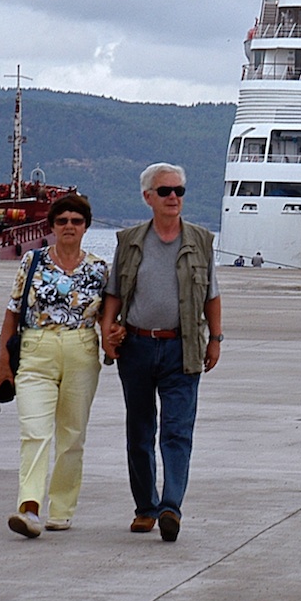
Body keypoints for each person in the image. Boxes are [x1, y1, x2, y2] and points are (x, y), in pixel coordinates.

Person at [100, 164, 222, 543]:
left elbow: (211, 296)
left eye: (180, 191)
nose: (174, 197)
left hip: (181, 347)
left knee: (177, 431)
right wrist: (107, 331)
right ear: (147, 197)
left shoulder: (200, 240)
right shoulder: (130, 240)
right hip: (136, 346)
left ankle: (171, 507)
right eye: (166, 191)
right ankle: (145, 508)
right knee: (139, 431)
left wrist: (215, 339)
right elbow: (115, 292)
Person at [0, 195, 112, 538]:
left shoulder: (99, 268)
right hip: (36, 349)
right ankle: (29, 506)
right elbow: (13, 312)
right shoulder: (32, 261)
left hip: (81, 349)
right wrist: (3, 361)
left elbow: (107, 317)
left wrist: (113, 340)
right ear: (53, 226)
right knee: (34, 431)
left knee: (72, 435)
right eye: (63, 221)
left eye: (76, 221)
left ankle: (61, 509)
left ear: (86, 226)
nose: (69, 226)